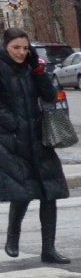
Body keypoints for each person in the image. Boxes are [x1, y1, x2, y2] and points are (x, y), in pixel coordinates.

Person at [0, 28, 69, 264]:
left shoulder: (32, 66)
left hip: (40, 139)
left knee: (49, 193)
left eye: (25, 48)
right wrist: (15, 124)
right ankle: (12, 238)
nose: (21, 52)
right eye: (16, 48)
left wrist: (39, 71)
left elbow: (49, 96)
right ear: (6, 46)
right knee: (23, 193)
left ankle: (48, 249)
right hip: (12, 141)